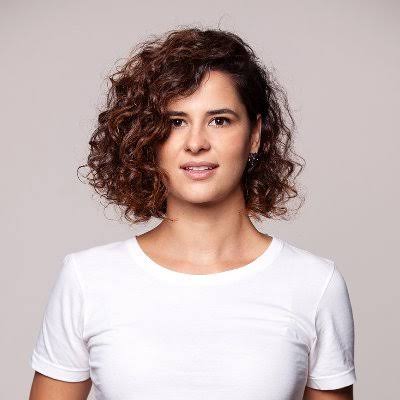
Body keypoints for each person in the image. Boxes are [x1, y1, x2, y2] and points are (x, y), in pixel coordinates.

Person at [29, 26, 356, 400]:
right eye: (175, 122)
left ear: (255, 135)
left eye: (220, 120)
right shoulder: (87, 280)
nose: (196, 143)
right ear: (148, 137)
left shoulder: (315, 284)